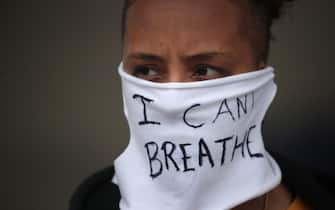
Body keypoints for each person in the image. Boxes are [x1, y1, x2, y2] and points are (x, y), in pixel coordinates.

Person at [68, 0, 333, 209]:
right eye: (147, 71)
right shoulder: (95, 202)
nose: (173, 99)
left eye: (205, 70)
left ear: (258, 77)